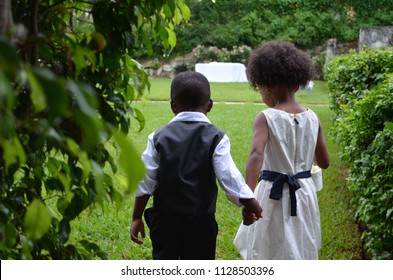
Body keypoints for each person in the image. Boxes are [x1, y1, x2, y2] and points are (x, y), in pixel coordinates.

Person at [130, 71, 262, 260]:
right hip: (201, 222)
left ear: (173, 106)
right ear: (209, 104)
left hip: (164, 221)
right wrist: (251, 204)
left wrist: (136, 217)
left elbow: (146, 181)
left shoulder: (157, 137)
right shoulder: (217, 137)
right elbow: (228, 177)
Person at [233, 41, 330, 260]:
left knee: (270, 245)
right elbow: (324, 162)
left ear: (266, 86)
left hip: (272, 194)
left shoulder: (266, 117)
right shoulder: (313, 118)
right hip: (304, 192)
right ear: (297, 85)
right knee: (301, 240)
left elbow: (256, 154)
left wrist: (248, 195)